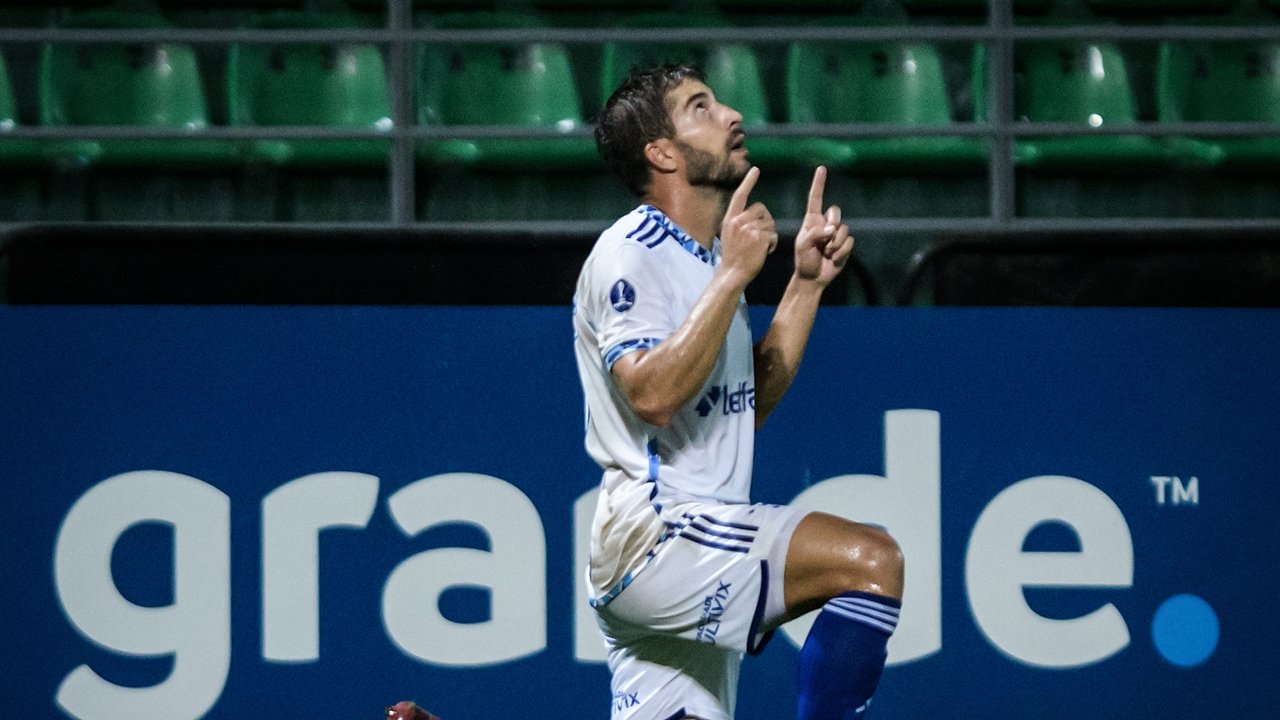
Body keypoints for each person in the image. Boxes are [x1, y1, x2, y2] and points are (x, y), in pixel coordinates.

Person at [572, 65, 905, 720]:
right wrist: (732, 277)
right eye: (701, 107)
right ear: (662, 153)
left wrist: (805, 285)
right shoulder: (630, 252)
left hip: (688, 533)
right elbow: (651, 396)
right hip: (659, 533)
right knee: (872, 560)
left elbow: (736, 410)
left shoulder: (704, 257)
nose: (731, 114)